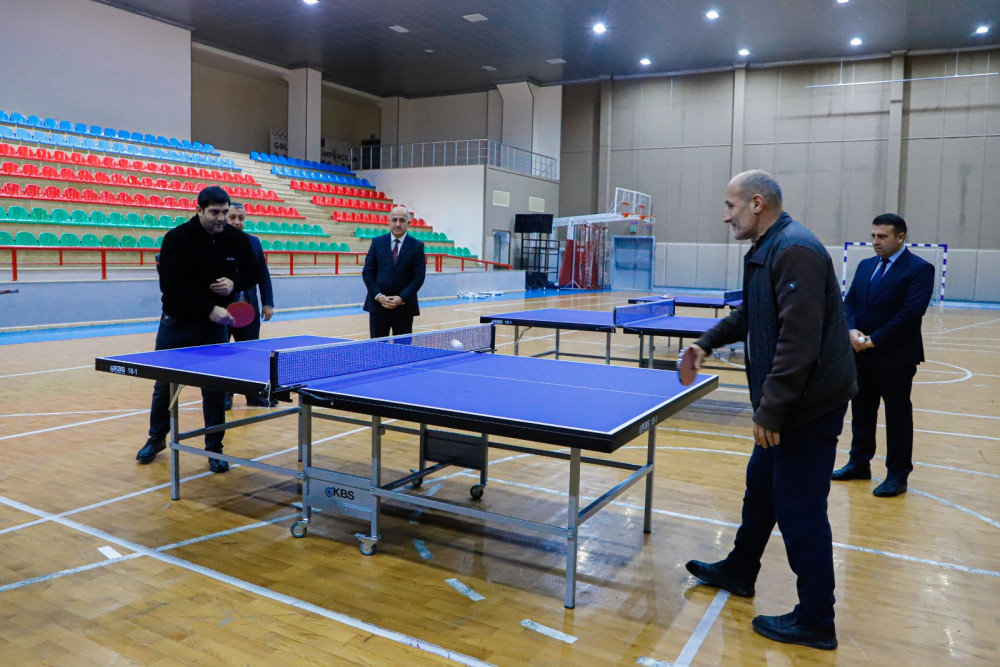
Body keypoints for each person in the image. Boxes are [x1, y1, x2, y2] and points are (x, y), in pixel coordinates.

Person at [683, 170, 857, 651]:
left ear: (756, 203)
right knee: (761, 490)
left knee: (801, 512)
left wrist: (770, 413)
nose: (725, 215)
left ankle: (817, 619)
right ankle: (741, 569)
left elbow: (798, 346)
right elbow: (750, 315)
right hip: (789, 404)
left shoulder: (794, 250)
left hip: (808, 407)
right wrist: (705, 344)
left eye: (730, 205)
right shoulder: (768, 250)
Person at [135, 186, 260, 473]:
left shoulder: (236, 239)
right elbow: (170, 286)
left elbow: (252, 272)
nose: (221, 218)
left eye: (225, 212)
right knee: (164, 386)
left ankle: (214, 449)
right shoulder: (177, 239)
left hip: (213, 329)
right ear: (199, 210)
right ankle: (156, 438)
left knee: (214, 390)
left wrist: (234, 283)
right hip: (176, 324)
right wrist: (208, 308)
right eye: (215, 212)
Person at [833, 214, 934, 497]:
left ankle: (897, 474)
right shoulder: (866, 266)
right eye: (874, 236)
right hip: (860, 352)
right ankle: (858, 464)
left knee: (897, 415)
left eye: (882, 237)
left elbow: (911, 313)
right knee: (862, 411)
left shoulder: (919, 269)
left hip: (895, 356)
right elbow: (849, 301)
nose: (875, 241)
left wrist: (874, 340)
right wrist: (852, 330)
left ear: (900, 237)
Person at [222, 202, 276, 410]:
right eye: (233, 217)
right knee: (223, 356)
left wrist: (268, 303)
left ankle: (254, 395)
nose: (237, 222)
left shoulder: (254, 243)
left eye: (241, 218)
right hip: (223, 312)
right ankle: (225, 396)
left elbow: (263, 274)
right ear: (225, 218)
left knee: (250, 356)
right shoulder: (215, 243)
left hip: (249, 311)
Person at [362, 204, 426, 338]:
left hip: (404, 308)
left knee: (403, 351)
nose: (398, 224)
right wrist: (378, 296)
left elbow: (418, 277)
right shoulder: (377, 242)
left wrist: (401, 298)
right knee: (377, 349)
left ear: (409, 223)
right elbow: (368, 272)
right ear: (389, 221)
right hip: (378, 307)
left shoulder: (417, 246)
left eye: (402, 220)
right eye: (394, 220)